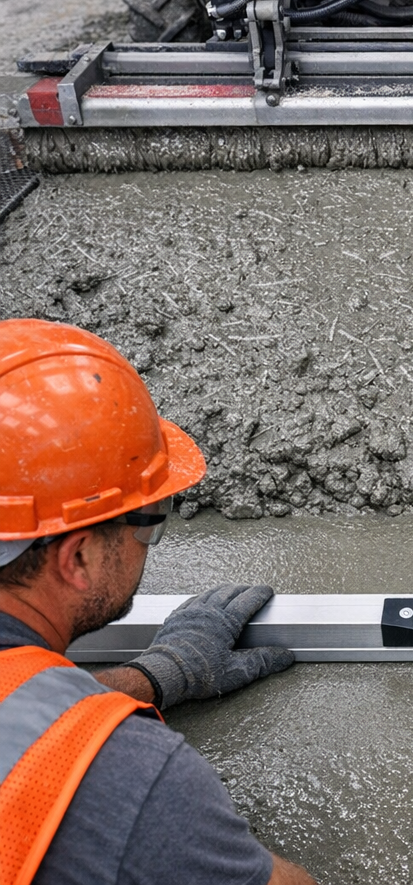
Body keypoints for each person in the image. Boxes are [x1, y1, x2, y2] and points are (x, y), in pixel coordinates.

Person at [0, 318, 316, 885]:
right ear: (77, 558)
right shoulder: (131, 784)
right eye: (149, 523)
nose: (150, 542)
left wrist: (160, 675)